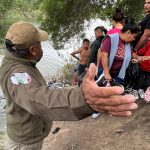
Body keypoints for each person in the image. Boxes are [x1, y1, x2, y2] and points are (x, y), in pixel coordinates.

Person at [0, 21, 137, 150]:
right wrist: (83, 98)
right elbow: (36, 98)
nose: (41, 47)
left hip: (30, 134)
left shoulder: (20, 63)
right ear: (33, 50)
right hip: (24, 142)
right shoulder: (15, 73)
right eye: (39, 44)